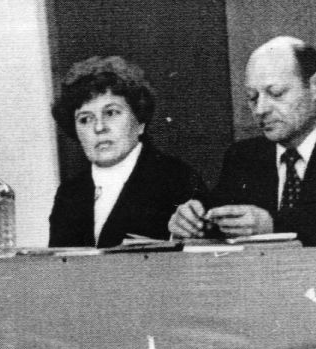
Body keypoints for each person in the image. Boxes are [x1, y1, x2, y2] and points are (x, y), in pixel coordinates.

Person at [168, 36, 316, 245]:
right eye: (252, 98)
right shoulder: (244, 156)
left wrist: (273, 225)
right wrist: (192, 220)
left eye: (276, 93)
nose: (260, 109)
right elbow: (217, 212)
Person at [48, 56, 202, 248]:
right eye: (85, 119)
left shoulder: (178, 179)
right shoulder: (70, 193)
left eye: (111, 113)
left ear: (140, 121)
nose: (99, 127)